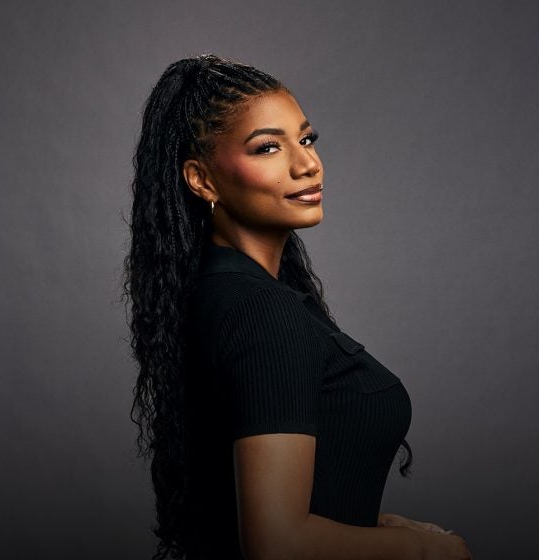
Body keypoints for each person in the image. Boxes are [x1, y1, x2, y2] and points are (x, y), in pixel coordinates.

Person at [122, 53, 472, 560]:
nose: (308, 164)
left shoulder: (223, 293)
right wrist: (428, 551)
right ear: (201, 180)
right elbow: (278, 544)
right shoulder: (261, 312)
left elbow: (291, 501)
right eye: (268, 147)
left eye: (306, 140)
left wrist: (387, 527)